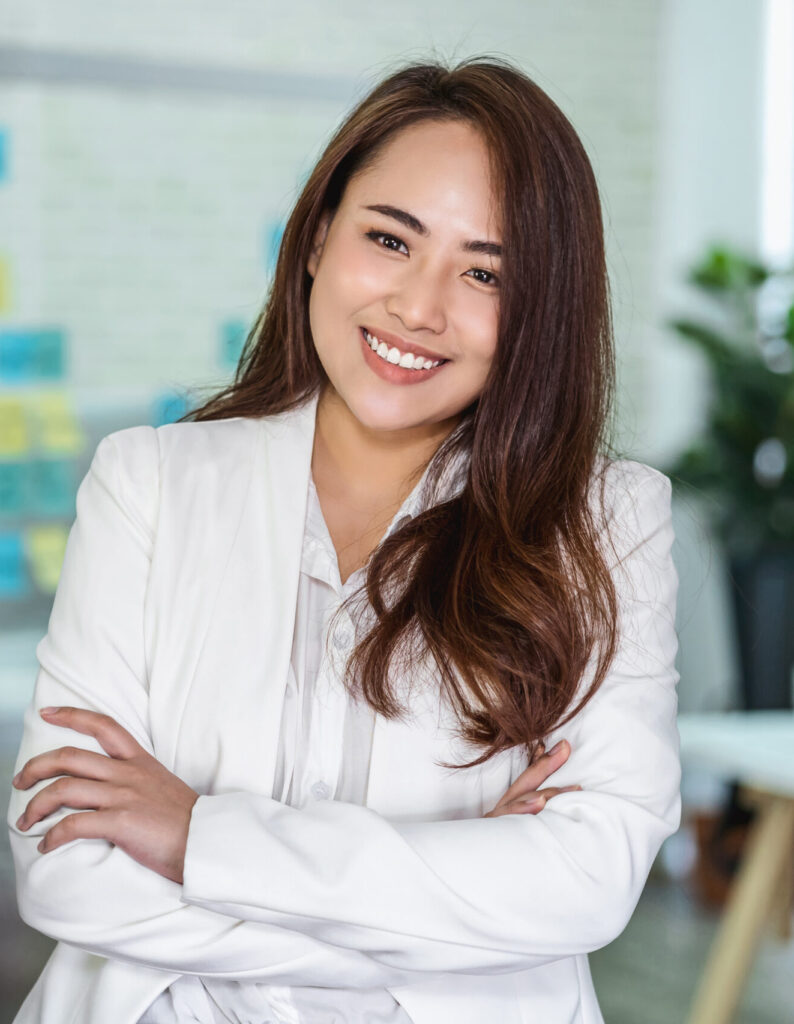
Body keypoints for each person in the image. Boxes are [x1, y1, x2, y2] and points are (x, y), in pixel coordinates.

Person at [7, 55, 681, 1024]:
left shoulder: (602, 523)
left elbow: (581, 881)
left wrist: (197, 835)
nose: (418, 305)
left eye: (483, 271)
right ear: (317, 237)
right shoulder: (148, 481)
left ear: (538, 307)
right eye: (388, 239)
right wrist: (456, 909)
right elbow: (66, 870)